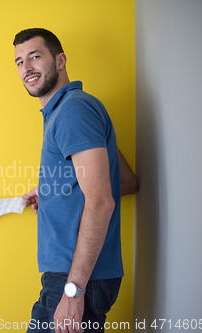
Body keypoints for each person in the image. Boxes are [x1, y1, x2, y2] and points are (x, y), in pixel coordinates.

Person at [15, 28, 138, 333]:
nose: (26, 68)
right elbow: (124, 182)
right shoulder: (68, 111)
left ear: (60, 60)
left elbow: (100, 201)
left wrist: (74, 292)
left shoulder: (73, 111)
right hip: (73, 276)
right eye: (18, 61)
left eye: (35, 56)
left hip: (77, 279)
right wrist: (54, 191)